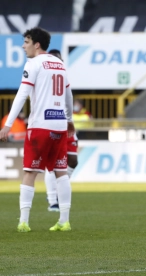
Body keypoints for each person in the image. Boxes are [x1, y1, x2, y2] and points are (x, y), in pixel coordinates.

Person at [0, 27, 74, 232]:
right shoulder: (60, 63)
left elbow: (22, 94)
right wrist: (69, 119)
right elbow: (69, 96)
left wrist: (7, 124)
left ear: (37, 44)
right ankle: (64, 221)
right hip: (59, 125)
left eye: (26, 42)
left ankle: (23, 222)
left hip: (40, 125)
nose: (23, 46)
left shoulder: (33, 63)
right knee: (61, 172)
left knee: (30, 172)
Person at [44, 49, 79, 212]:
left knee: (73, 160)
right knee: (52, 163)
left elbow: (68, 98)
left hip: (65, 123)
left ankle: (60, 187)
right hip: (49, 122)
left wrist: (70, 119)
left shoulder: (63, 76)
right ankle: (53, 201)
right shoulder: (42, 77)